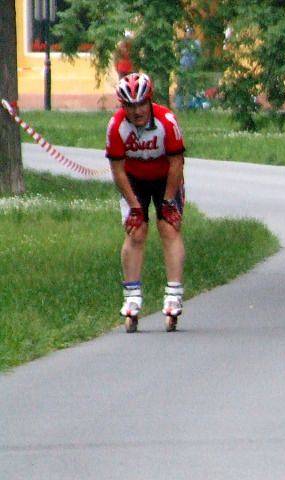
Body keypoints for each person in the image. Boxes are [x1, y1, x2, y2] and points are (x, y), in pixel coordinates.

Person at [106, 72, 187, 333]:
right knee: (136, 231)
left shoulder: (167, 121)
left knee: (168, 228)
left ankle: (173, 293)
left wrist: (167, 202)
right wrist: (134, 206)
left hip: (166, 177)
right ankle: (131, 297)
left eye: (141, 104)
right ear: (123, 106)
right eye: (129, 105)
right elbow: (117, 171)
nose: (136, 110)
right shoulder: (116, 126)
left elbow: (177, 163)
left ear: (150, 101)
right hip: (133, 180)